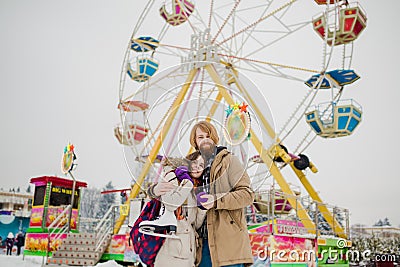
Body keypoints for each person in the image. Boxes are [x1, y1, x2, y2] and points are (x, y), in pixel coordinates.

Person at [190, 120, 254, 267]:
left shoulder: (229, 161)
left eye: (209, 136)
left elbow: (247, 194)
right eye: (200, 137)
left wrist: (216, 200)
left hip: (228, 243)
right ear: (194, 141)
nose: (205, 139)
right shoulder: (190, 166)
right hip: (201, 244)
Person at [146, 151, 206, 267]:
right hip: (171, 251)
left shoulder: (195, 188)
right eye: (195, 163)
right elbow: (171, 204)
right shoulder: (173, 176)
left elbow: (194, 224)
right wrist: (187, 183)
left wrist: (202, 209)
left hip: (188, 252)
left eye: (202, 165)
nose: (198, 168)